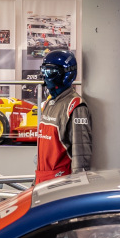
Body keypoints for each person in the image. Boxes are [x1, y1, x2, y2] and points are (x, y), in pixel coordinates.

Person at [34, 49, 92, 183]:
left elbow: (81, 156)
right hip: (42, 180)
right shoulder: (49, 103)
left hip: (61, 184)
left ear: (66, 74)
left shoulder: (76, 106)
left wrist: (78, 189)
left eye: (51, 72)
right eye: (44, 71)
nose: (46, 76)